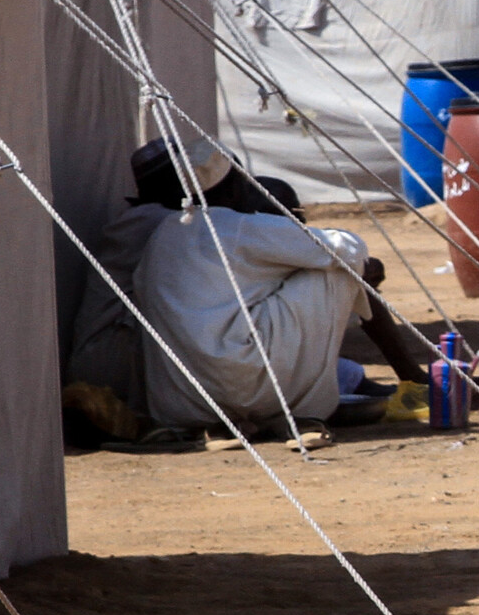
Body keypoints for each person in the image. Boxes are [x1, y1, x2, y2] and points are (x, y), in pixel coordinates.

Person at [121, 138, 418, 437]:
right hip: (240, 393)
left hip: (183, 405)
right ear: (235, 186)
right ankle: (299, 407)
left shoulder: (164, 233)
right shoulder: (232, 225)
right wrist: (365, 267)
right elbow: (348, 248)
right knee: (340, 269)